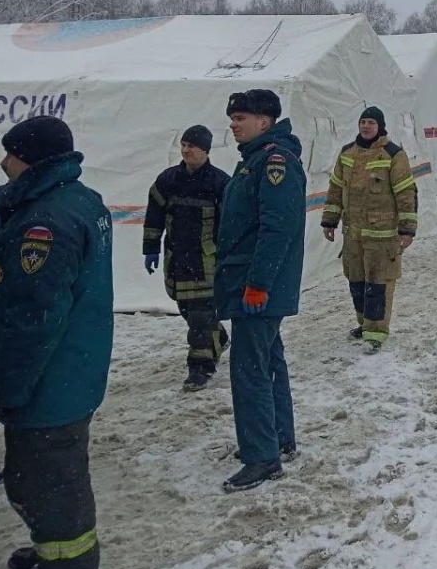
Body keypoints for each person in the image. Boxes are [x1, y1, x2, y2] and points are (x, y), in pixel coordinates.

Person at [0, 116, 113, 569]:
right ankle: (55, 551)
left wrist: (6, 387)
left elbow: (35, 317)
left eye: (10, 153)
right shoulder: (80, 200)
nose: (1, 161)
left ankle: (69, 568)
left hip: (52, 374)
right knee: (55, 471)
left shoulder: (45, 223)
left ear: (30, 158)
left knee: (44, 476)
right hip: (76, 362)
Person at [215, 90, 305, 493]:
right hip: (252, 282)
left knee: (249, 369)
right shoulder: (253, 159)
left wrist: (258, 285)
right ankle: (278, 438)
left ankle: (261, 456)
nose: (233, 123)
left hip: (257, 286)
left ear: (264, 121)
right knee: (268, 359)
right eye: (232, 117)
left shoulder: (273, 162)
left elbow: (277, 228)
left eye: (241, 117)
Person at [321, 106, 418, 352]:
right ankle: (364, 324)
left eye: (371, 123)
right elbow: (335, 190)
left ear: (380, 127)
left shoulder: (393, 155)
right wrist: (329, 221)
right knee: (356, 281)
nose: (366, 126)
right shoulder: (346, 154)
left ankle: (376, 331)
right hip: (352, 234)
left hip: (382, 236)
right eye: (363, 122)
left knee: (379, 284)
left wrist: (407, 229)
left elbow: (406, 194)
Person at [142, 125, 231, 391]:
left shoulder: (219, 183)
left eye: (191, 145)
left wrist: (227, 256)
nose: (185, 150)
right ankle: (219, 336)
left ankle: (200, 368)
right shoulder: (168, 180)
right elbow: (154, 214)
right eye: (183, 145)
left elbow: (228, 224)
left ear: (205, 150)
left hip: (206, 263)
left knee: (200, 316)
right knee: (187, 310)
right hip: (176, 261)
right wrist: (150, 247)